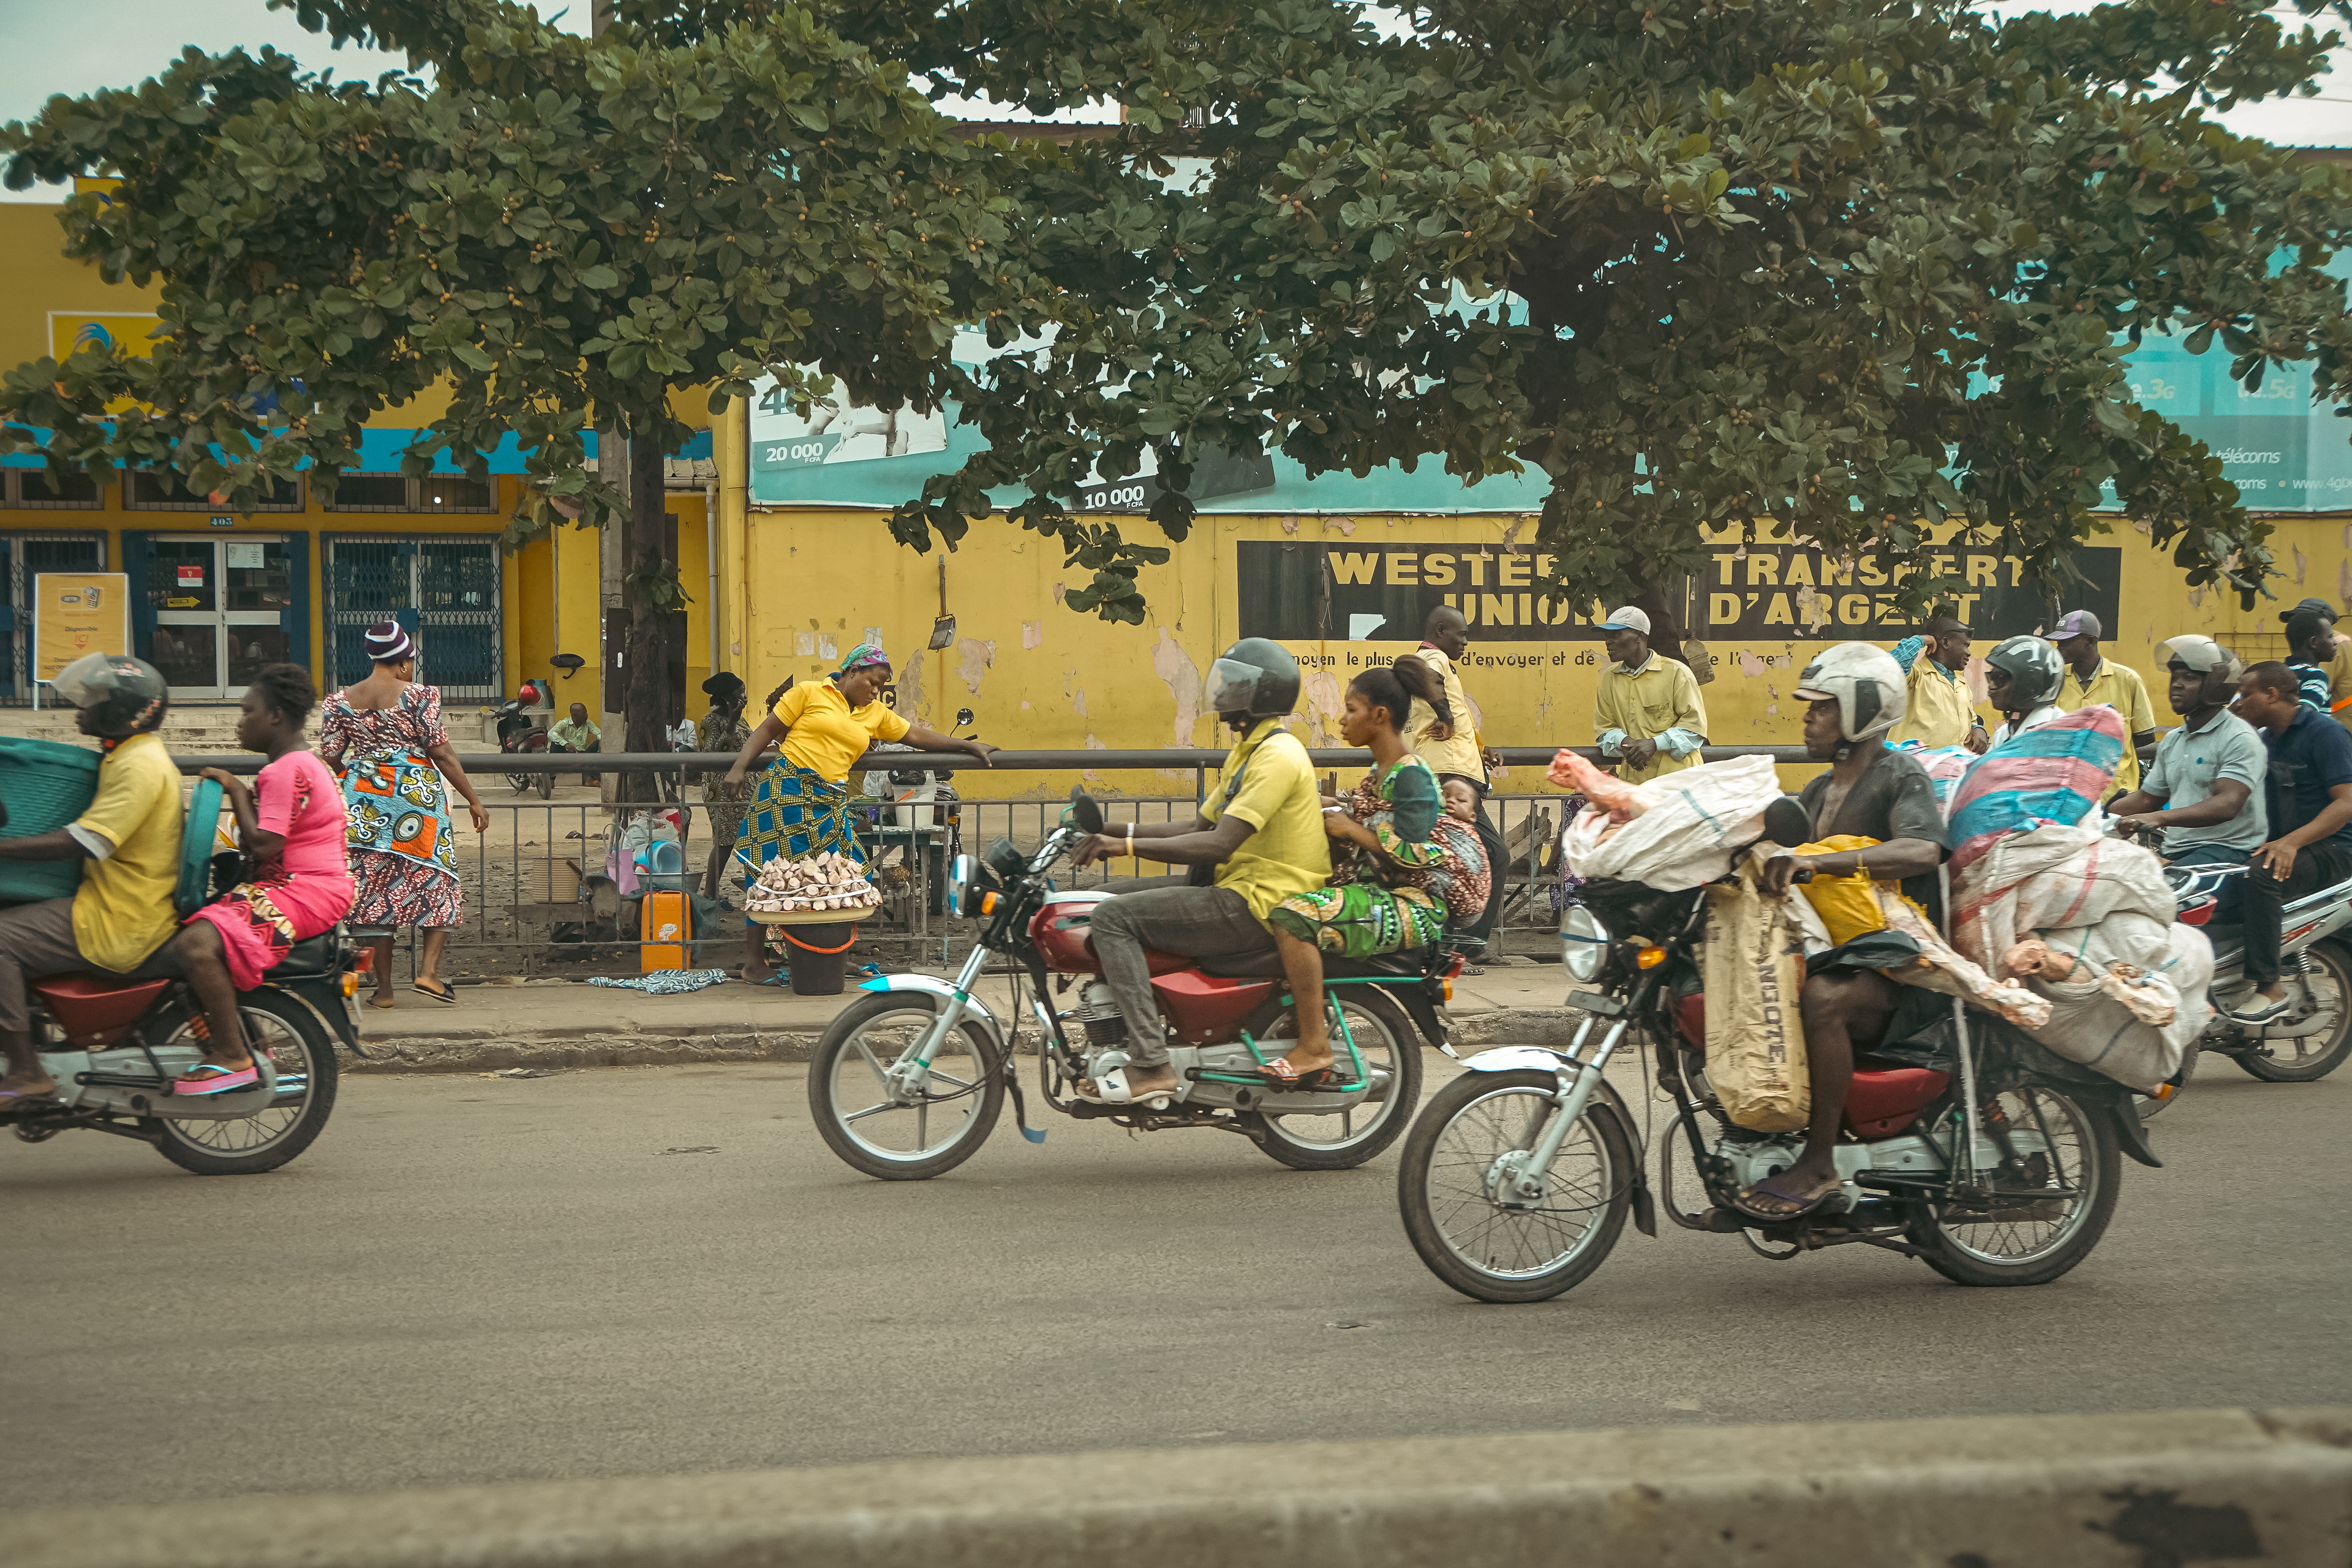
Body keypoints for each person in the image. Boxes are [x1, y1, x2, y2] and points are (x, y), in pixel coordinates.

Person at [1067, 638, 1331, 1104]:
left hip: (1262, 901)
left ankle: (1150, 1063)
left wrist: (1124, 845)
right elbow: (1196, 825)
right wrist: (1106, 829)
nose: (1224, 690)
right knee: (1101, 901)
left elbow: (1219, 842)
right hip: (1238, 886)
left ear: (1261, 693)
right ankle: (1127, 1024)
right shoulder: (1251, 750)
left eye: (1235, 682)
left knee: (1112, 919)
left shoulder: (1277, 756)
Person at [1743, 643, 1948, 1221]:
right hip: (1842, 953)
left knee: (1822, 1000)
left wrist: (1823, 863)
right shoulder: (1814, 792)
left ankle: (1820, 1162)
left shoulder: (1897, 774)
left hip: (1897, 966)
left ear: (1862, 713)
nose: (1807, 717)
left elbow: (1923, 848)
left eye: (1822, 708)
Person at [1259, 659, 1488, 1087]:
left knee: (1292, 918)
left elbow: (1418, 855)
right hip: (1378, 893)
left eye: (1351, 709)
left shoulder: (1413, 776)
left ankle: (1314, 1045)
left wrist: (1352, 829)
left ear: (1379, 716)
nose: (1342, 719)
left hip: (1414, 906)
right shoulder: (1380, 773)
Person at [722, 644, 994, 984]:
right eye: (872, 683)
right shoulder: (809, 692)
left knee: (847, 877)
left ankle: (837, 956)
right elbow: (765, 731)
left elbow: (915, 735)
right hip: (786, 792)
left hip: (829, 801)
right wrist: (738, 768)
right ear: (851, 673)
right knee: (767, 877)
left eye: (881, 687)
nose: (877, 692)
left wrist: (968, 746)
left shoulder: (875, 713)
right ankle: (755, 962)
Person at [0, 654, 183, 1107]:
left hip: (115, 918)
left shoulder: (138, 766)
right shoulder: (125, 755)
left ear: (125, 711)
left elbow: (86, 841)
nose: (81, 707)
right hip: (112, 901)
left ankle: (26, 1070)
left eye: (95, 699)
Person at [168, 664, 356, 1091]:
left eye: (246, 711)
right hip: (311, 886)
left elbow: (265, 844)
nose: (240, 722)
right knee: (211, 931)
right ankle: (253, 1041)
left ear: (274, 716)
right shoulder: (307, 761)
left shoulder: (283, 770)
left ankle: (234, 1054)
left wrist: (235, 788)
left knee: (196, 945)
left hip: (304, 889)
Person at [318, 620, 491, 1009]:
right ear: (402, 661)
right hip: (418, 804)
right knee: (436, 879)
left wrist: (357, 777)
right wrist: (473, 799)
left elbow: (329, 757)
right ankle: (428, 973)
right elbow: (441, 752)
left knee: (374, 895)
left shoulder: (339, 702)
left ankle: (384, 991)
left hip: (364, 804)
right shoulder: (419, 697)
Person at [2224, 662, 2352, 1025]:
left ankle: (2270, 988)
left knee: (2258, 876)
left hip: (2334, 851)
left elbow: (2347, 801)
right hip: (2284, 845)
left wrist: (2292, 843)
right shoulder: (2263, 740)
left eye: (2246, 694)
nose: (2239, 701)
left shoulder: (2326, 734)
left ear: (2272, 695)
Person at [2107, 638, 2267, 899]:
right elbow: (2148, 798)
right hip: (2177, 850)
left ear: (2215, 686)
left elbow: (2228, 804)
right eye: (2175, 677)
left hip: (2228, 852)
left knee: (2151, 902)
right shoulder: (2173, 740)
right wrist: (2096, 814)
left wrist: (2159, 818)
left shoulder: (2240, 738)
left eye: (2189, 678)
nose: (2177, 684)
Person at [1408, 605, 1506, 963]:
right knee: (1492, 854)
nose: (1466, 642)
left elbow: (1461, 721)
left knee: (1451, 859)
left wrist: (1482, 749)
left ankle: (1448, 945)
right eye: (1460, 635)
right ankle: (1466, 947)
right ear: (1438, 632)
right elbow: (1423, 675)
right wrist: (1445, 716)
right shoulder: (1431, 660)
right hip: (1449, 777)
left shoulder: (1442, 664)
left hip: (1456, 771)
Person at [1594, 606, 1707, 784]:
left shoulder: (1677, 673)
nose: (1608, 642)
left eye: (1616, 635)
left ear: (1640, 636)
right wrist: (1625, 742)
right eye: (1607, 637)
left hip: (1680, 784)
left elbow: (1695, 729)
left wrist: (1654, 744)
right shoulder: (1609, 678)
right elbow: (1603, 730)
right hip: (1635, 784)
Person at [1888, 612, 1989, 754]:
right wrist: (1921, 640)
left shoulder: (1961, 683)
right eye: (1965, 645)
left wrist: (1978, 729)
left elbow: (1971, 720)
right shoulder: (1916, 675)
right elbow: (1890, 666)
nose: (1968, 653)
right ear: (1946, 642)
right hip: (1915, 768)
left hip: (1952, 768)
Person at [692, 673, 754, 903]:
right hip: (722, 787)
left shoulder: (741, 718)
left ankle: (753, 886)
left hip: (746, 787)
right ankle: (710, 894)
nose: (744, 696)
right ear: (727, 695)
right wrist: (732, 723)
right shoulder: (710, 721)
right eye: (740, 692)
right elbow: (712, 753)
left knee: (750, 836)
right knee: (725, 840)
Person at [1983, 634, 2067, 745]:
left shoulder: (2060, 731)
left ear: (2030, 683)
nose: (1991, 686)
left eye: (1999, 678)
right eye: (1990, 677)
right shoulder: (2003, 734)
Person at [2283, 609, 2338, 714]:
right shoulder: (2316, 676)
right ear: (2313, 642)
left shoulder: (2279, 671)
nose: (2335, 642)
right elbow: (2303, 716)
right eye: (2330, 637)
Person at [548, 701, 601, 787]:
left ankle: (591, 779)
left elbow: (600, 733)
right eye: (584, 713)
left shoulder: (588, 723)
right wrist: (566, 744)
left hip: (583, 756)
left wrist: (600, 745)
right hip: (568, 756)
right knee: (555, 745)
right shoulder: (564, 723)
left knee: (600, 742)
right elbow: (551, 733)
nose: (587, 715)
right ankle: (551, 778)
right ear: (575, 715)